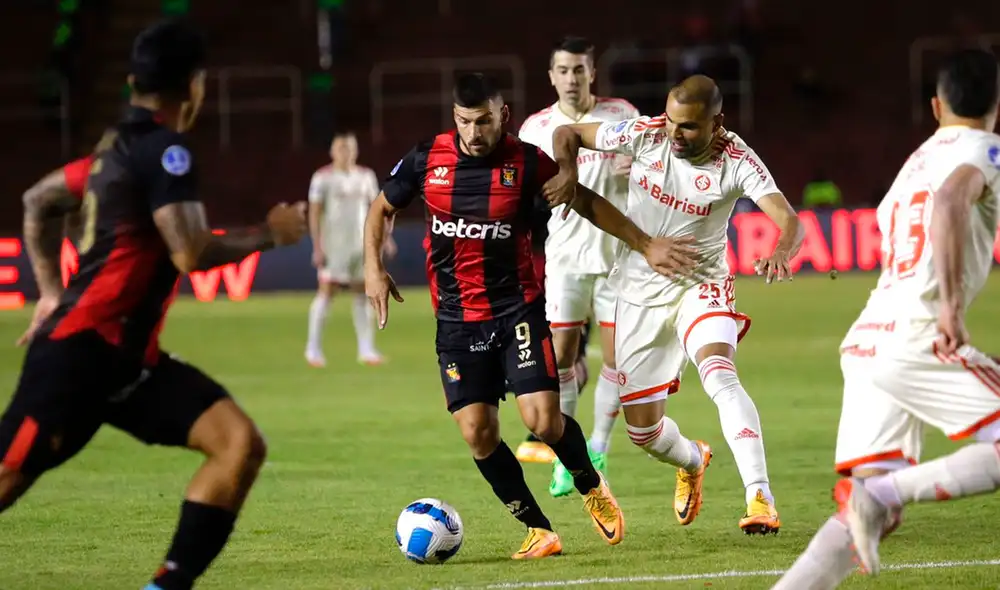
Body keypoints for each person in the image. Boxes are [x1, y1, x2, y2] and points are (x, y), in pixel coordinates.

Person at [0, 20, 307, 590]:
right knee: (6, 477)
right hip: (79, 356)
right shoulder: (167, 150)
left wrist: (49, 293)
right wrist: (271, 233)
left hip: (126, 362)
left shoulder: (111, 150)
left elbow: (38, 199)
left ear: (132, 82)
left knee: (238, 444)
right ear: (194, 86)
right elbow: (189, 252)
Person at [364, 72, 690, 559]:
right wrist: (373, 268)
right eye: (464, 121)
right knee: (478, 434)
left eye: (483, 121)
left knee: (544, 421)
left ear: (503, 116)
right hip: (456, 321)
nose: (474, 132)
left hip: (515, 311)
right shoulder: (427, 158)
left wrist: (643, 243)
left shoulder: (526, 161)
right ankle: (539, 530)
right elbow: (380, 208)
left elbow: (584, 201)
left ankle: (590, 484)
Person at [772, 48, 1000, 589]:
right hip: (919, 334)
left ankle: (870, 504)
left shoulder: (914, 162)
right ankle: (879, 495)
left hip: (870, 340)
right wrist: (950, 306)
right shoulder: (986, 149)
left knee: (866, 513)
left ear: (937, 106)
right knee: (878, 497)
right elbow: (951, 200)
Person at [544, 75, 802, 534]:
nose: (674, 133)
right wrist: (568, 171)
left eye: (688, 126)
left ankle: (760, 496)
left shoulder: (736, 159)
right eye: (671, 121)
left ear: (716, 123)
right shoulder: (646, 133)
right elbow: (567, 132)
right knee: (643, 432)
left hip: (701, 284)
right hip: (638, 292)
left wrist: (782, 248)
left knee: (719, 374)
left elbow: (788, 217)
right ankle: (693, 460)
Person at [515, 36, 638, 498]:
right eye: (563, 70)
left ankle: (598, 448)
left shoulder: (621, 115)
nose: (571, 78)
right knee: (561, 358)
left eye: (579, 69)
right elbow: (519, 191)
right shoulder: (536, 128)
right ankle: (571, 457)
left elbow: (658, 169)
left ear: (592, 73)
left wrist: (638, 170)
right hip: (566, 259)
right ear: (551, 76)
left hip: (618, 259)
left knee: (617, 361)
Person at [305, 131, 393, 367]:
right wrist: (317, 246)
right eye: (341, 148)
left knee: (363, 294)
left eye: (350, 148)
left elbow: (376, 209)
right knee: (326, 292)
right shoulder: (322, 178)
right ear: (332, 151)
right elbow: (314, 213)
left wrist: (386, 238)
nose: (346, 153)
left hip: (360, 246)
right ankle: (313, 349)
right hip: (334, 247)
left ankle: (366, 349)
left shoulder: (365, 176)